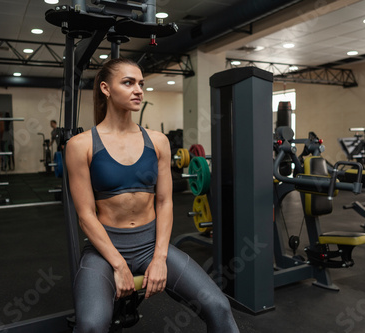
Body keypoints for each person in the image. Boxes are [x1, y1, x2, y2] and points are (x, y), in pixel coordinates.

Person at [66, 58, 240, 332]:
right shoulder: (81, 145)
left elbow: (164, 201)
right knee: (90, 325)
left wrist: (159, 258)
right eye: (128, 82)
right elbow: (85, 215)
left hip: (151, 245)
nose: (138, 90)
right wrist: (118, 264)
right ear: (105, 89)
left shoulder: (157, 141)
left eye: (141, 84)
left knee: (218, 306)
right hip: (105, 249)